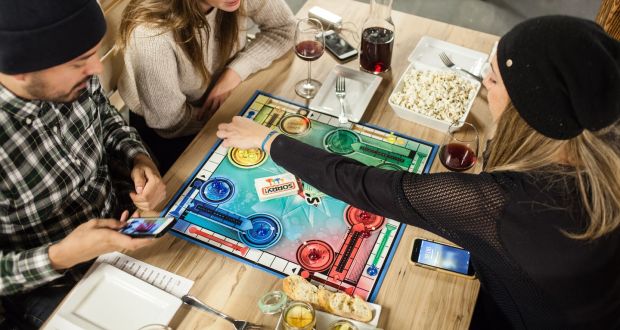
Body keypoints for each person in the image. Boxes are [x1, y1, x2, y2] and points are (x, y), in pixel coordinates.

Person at [217, 16, 620, 329]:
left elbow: (369, 186)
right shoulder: (604, 139)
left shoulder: (504, 202)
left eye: (493, 79)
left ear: (527, 113)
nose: (482, 85)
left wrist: (270, 141)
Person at [0, 0, 167, 327]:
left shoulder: (76, 77)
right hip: (53, 286)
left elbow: (106, 121)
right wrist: (61, 255)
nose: (96, 70)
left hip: (127, 228)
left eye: (94, 54)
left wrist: (138, 157)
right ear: (20, 69)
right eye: (80, 62)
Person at [116, 0, 296, 173]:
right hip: (173, 129)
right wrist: (232, 118)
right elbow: (169, 122)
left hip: (225, 102)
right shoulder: (151, 35)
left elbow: (285, 28)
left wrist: (234, 72)